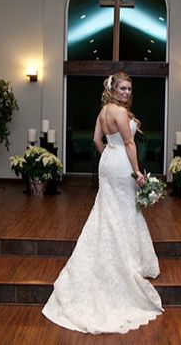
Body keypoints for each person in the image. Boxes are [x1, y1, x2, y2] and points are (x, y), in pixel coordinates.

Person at [42, 71, 164, 334]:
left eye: (130, 89)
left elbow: (97, 140)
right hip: (122, 164)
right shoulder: (119, 113)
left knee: (107, 209)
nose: (127, 93)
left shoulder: (103, 112)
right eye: (123, 88)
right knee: (123, 209)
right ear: (113, 89)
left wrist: (108, 155)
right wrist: (137, 171)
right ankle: (127, 261)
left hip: (108, 162)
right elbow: (130, 143)